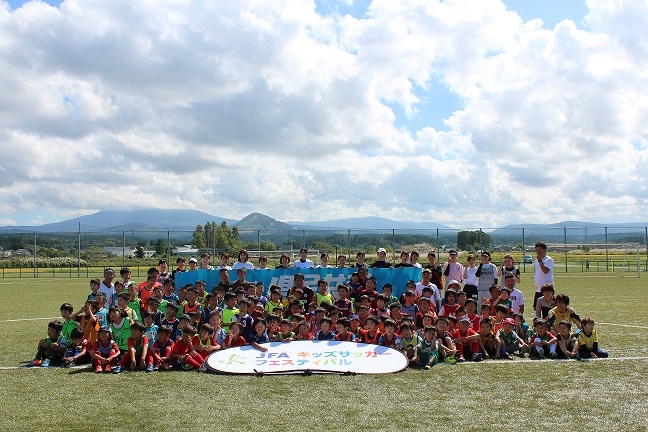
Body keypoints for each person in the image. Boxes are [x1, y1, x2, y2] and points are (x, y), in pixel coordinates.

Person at [533, 241, 554, 309]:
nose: (538, 252)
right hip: (539, 289)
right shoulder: (536, 260)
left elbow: (545, 271)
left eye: (540, 250)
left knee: (548, 309)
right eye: (537, 250)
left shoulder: (549, 260)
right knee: (536, 308)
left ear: (545, 250)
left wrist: (540, 261)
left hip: (547, 289)